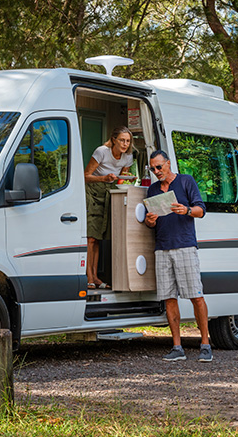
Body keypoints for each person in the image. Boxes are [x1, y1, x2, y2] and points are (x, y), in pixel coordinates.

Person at [144, 150, 213, 362]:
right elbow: (149, 223)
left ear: (168, 163)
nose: (156, 172)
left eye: (159, 167)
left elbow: (201, 210)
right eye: (153, 169)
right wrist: (151, 221)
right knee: (169, 298)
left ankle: (205, 344)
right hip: (162, 248)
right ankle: (177, 347)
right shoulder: (153, 190)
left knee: (195, 296)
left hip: (184, 246)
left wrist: (186, 210)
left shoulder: (185, 181)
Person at [84, 126, 134, 289]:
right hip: (93, 192)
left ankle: (96, 276)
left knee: (98, 238)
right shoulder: (101, 152)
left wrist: (126, 179)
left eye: (128, 141)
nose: (125, 144)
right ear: (113, 140)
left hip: (109, 194)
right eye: (122, 140)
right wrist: (104, 178)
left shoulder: (128, 157)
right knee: (91, 237)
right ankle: (88, 276)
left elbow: (123, 178)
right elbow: (85, 176)